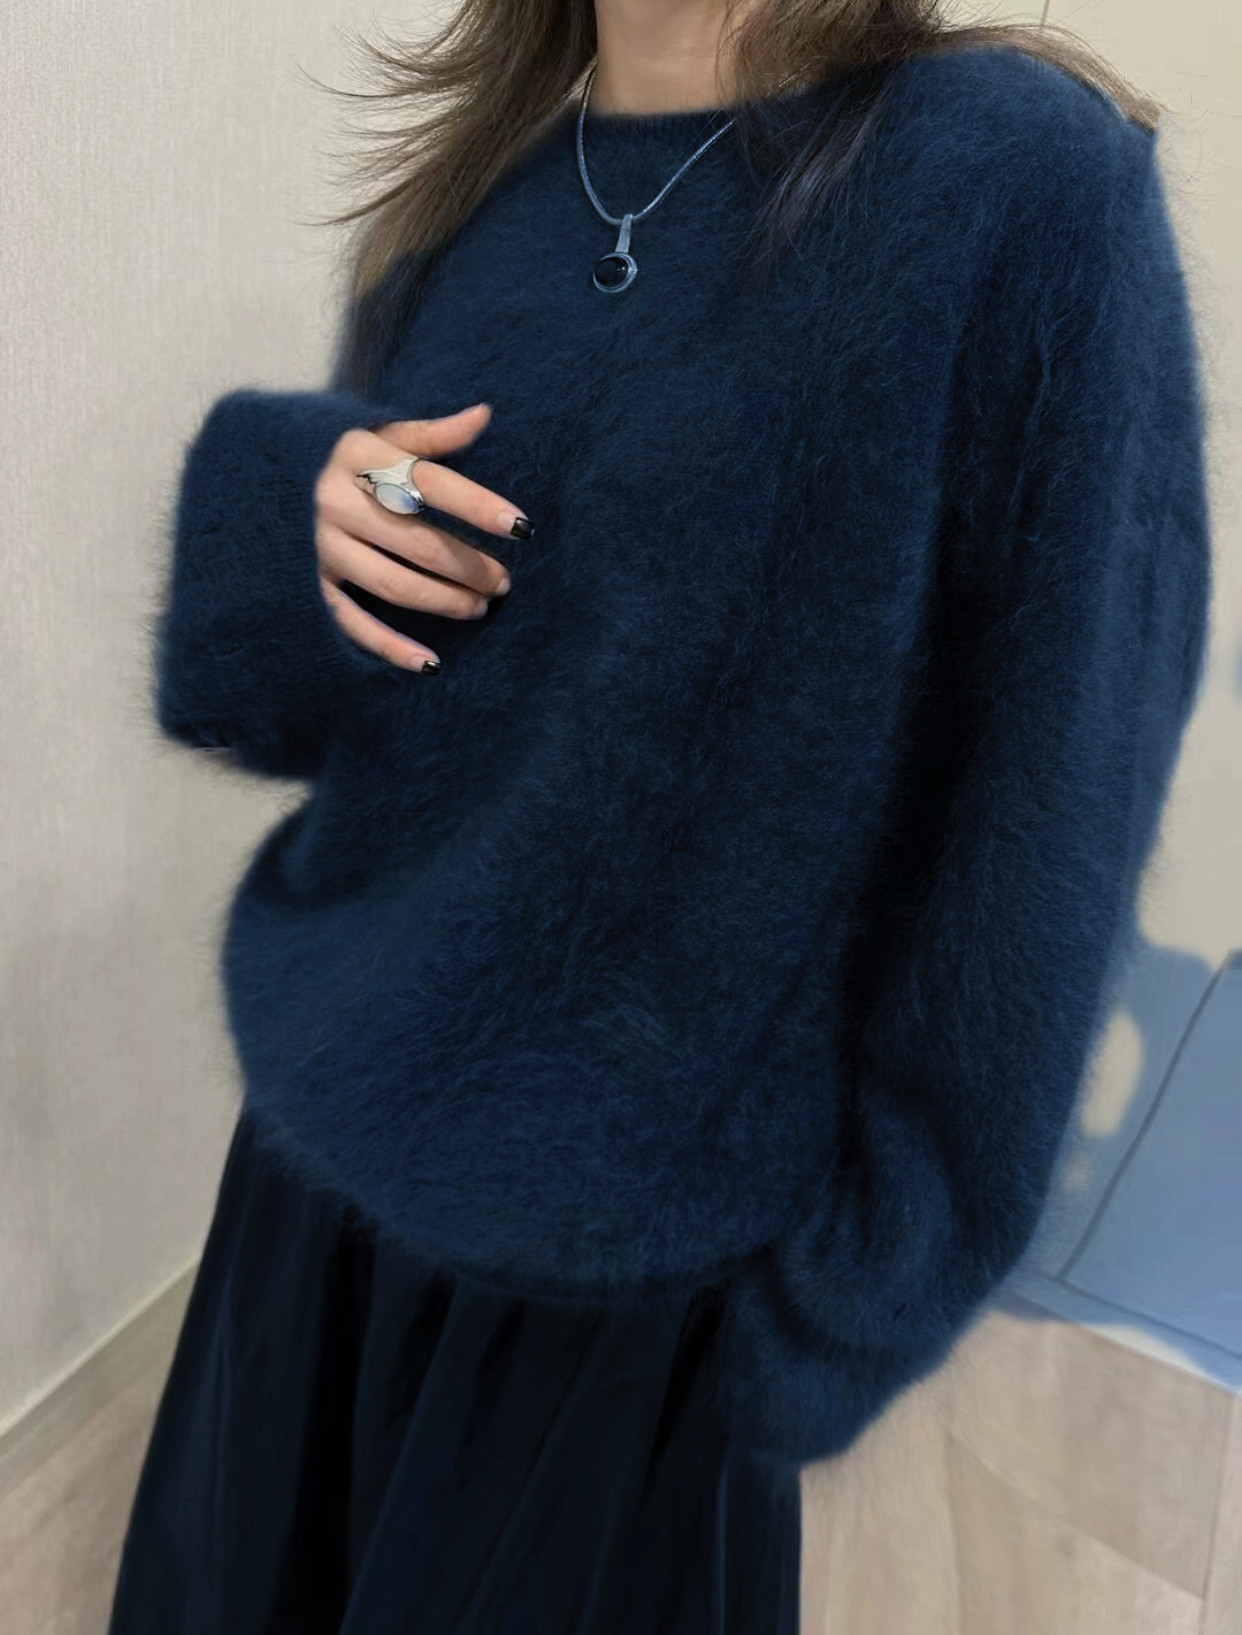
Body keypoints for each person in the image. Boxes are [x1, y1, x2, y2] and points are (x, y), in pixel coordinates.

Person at [107, 0, 1213, 1630]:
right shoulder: (464, 196)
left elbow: (1053, 793)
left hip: (633, 1278)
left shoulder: (1013, 175)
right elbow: (326, 725)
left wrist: (862, 1292)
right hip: (315, 1169)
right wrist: (286, 504)